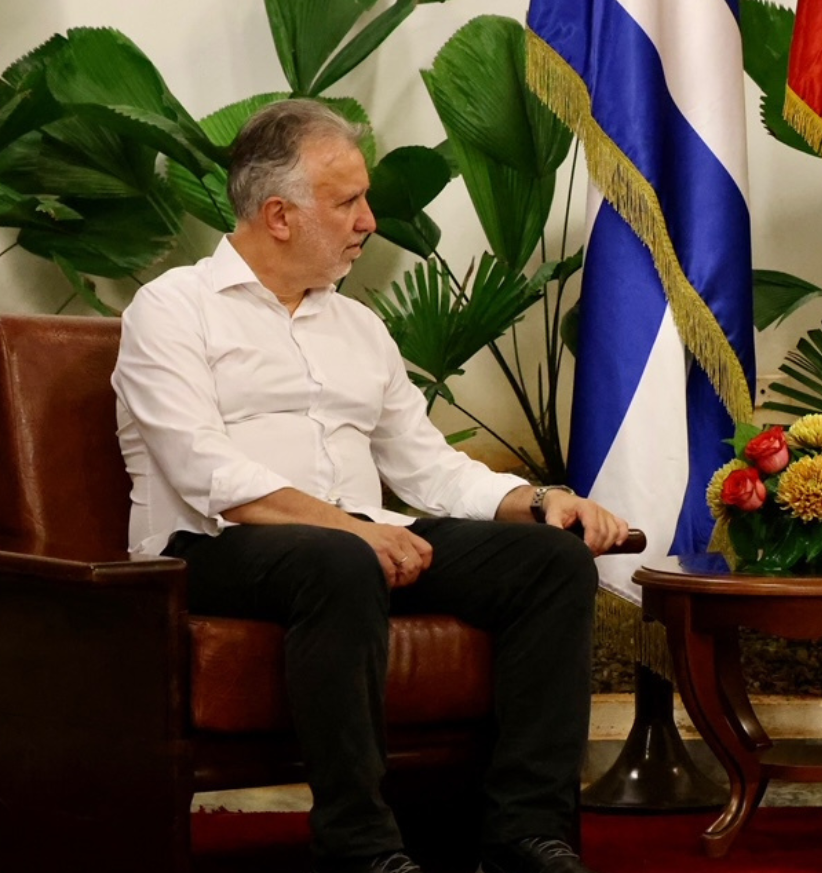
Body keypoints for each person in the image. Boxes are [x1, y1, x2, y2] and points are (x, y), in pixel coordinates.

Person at [113, 99, 630, 873]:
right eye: (348, 201)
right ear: (280, 215)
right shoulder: (172, 309)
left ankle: (525, 831)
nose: (369, 220)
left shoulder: (359, 327)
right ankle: (360, 845)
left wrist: (538, 501)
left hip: (355, 544)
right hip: (211, 550)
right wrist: (353, 531)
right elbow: (204, 470)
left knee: (549, 565)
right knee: (340, 561)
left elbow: (426, 465)